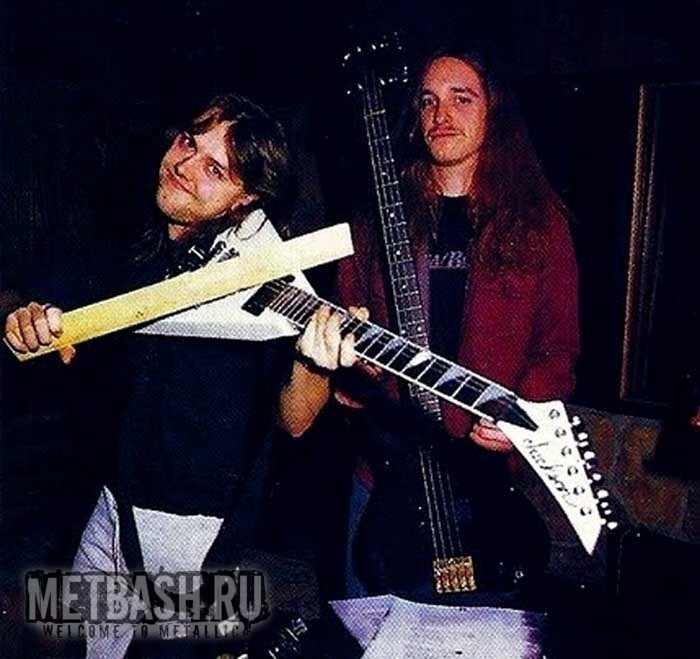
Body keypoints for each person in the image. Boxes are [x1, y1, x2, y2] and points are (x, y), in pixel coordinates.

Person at [4, 93, 331, 657]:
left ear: (246, 200)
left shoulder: (265, 280)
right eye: (187, 142)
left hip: (190, 536)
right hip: (111, 505)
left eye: (215, 169)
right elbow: (22, 291)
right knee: (76, 643)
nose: (184, 165)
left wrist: (316, 358)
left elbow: (297, 420)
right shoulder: (137, 245)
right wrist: (20, 318)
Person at [294, 50, 580, 599]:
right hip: (387, 482)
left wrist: (521, 415)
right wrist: (353, 372)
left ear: (494, 110)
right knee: (370, 627)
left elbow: (559, 349)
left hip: (484, 487)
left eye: (460, 98)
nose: (440, 114)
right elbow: (346, 323)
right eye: (427, 100)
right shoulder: (375, 219)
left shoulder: (538, 223)